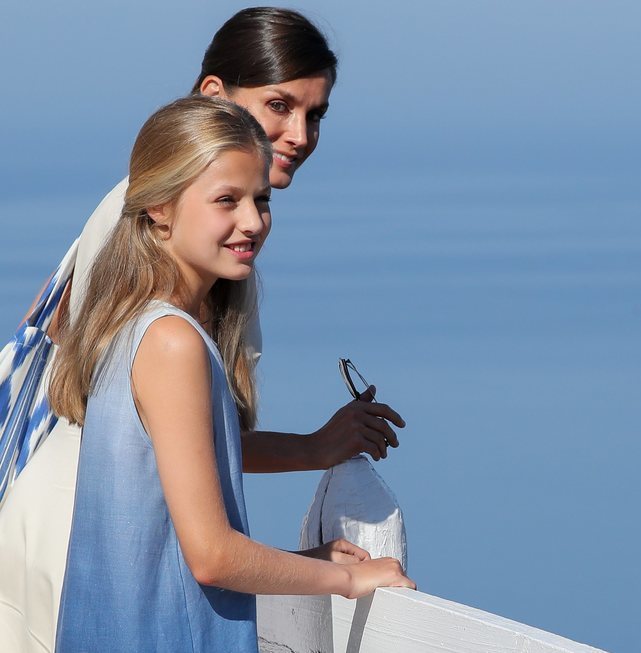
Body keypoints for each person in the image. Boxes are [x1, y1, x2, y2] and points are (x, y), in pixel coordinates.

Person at [0, 8, 405, 652]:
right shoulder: (161, 279)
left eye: (315, 112)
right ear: (214, 97)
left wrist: (311, 450)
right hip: (83, 549)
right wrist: (335, 572)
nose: (297, 133)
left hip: (90, 552)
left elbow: (179, 440)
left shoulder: (168, 253)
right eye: (278, 105)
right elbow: (204, 541)